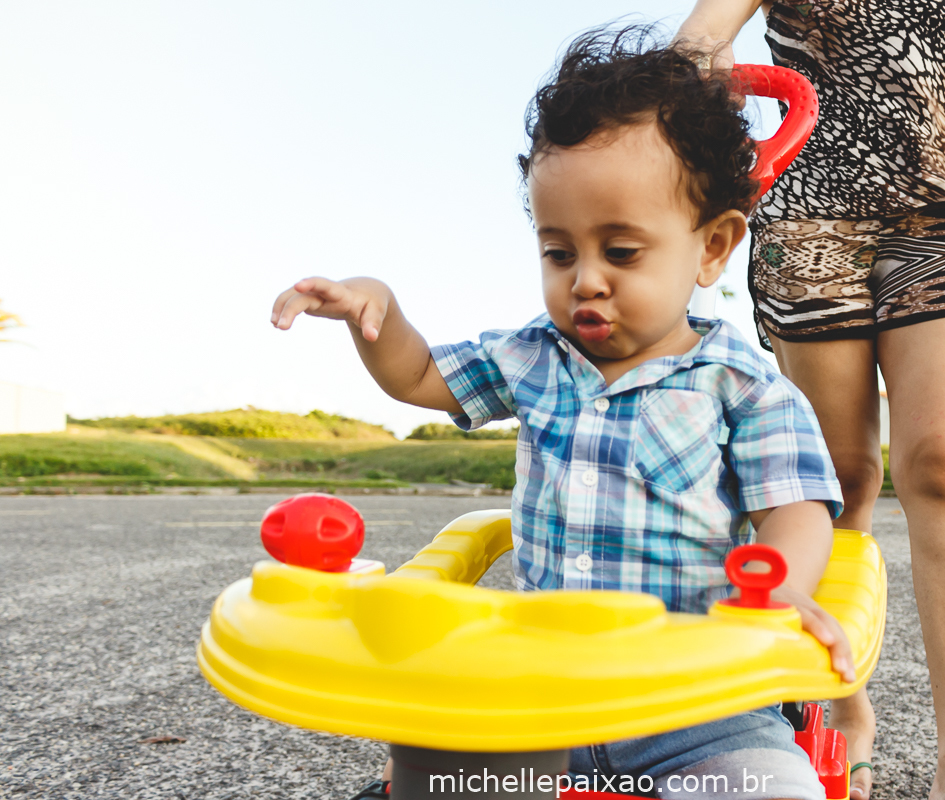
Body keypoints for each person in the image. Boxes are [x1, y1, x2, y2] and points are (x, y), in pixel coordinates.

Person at [272, 28, 857, 800]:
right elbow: (416, 375)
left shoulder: (745, 387)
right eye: (558, 252)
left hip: (700, 703)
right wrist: (376, 309)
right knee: (428, 770)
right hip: (539, 693)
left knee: (771, 788)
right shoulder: (532, 357)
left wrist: (781, 590)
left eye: (621, 253)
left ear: (712, 248)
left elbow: (798, 510)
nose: (585, 281)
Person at [673, 2, 945, 799]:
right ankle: (845, 713)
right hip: (809, 218)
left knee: (941, 462)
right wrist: (713, 83)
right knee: (840, 477)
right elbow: (696, 42)